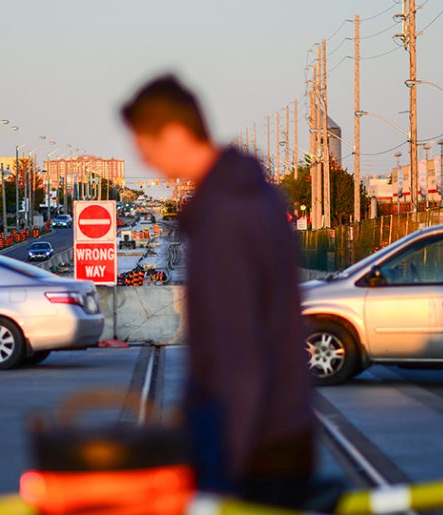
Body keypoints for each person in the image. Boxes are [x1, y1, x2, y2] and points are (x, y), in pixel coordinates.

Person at [121, 75, 315, 508]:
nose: (143, 158)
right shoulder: (257, 197)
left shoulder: (224, 217)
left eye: (145, 144)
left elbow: (239, 356)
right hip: (281, 430)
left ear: (173, 133)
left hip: (249, 443)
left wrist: (228, 475)